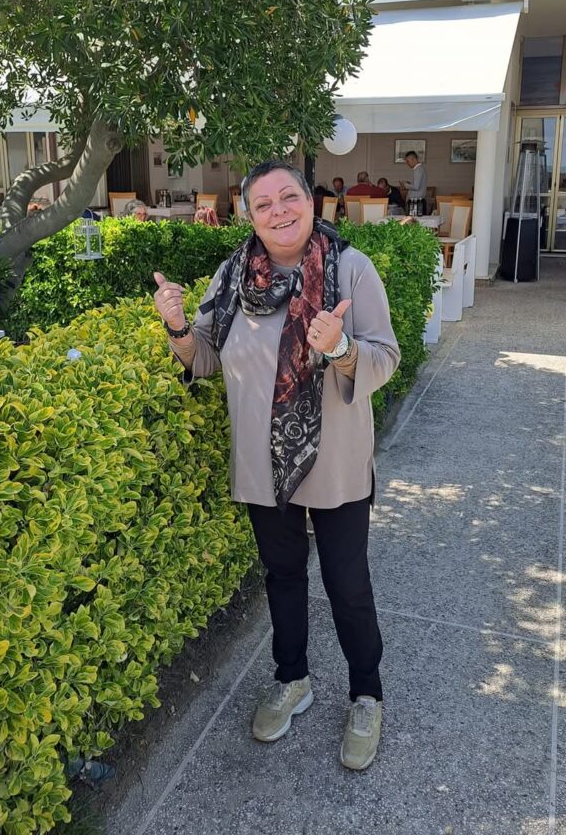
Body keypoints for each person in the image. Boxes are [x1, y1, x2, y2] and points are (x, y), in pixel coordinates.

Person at [153, 161, 399, 771]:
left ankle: (366, 694)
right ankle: (292, 679)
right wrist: (178, 326)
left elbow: (386, 356)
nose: (279, 210)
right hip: (263, 463)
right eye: (263, 204)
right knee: (283, 574)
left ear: (311, 201)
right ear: (248, 216)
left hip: (335, 459)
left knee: (347, 582)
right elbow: (204, 357)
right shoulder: (232, 275)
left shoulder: (350, 269)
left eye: (289, 196)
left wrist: (340, 347)